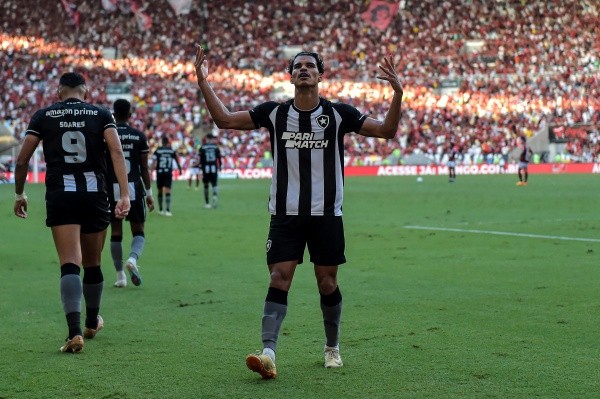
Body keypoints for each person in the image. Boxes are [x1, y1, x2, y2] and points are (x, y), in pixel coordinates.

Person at [194, 46, 403, 378]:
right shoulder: (273, 113)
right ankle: (268, 353)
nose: (303, 70)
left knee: (327, 283)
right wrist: (204, 82)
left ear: (321, 75)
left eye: (310, 66)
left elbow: (387, 131)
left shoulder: (340, 114)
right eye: (298, 66)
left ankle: (332, 347)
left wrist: (398, 94)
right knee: (279, 277)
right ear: (290, 76)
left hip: (326, 216)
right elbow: (223, 120)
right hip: (286, 215)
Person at [13, 72, 130, 353]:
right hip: (94, 195)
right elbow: (116, 152)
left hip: (61, 195)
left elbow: (22, 159)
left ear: (59, 92)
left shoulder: (44, 115)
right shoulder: (101, 114)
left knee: (69, 263)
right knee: (92, 263)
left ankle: (74, 332)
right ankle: (92, 322)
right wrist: (124, 194)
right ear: (85, 91)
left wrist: (20, 193)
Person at [107, 99, 154, 288]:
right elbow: (144, 167)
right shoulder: (138, 136)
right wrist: (149, 193)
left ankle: (120, 276)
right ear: (131, 114)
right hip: (133, 187)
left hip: (112, 188)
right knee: (139, 231)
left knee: (116, 232)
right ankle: (133, 259)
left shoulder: (107, 136)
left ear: (113, 114)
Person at [152, 135, 182, 216]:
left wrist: (151, 172)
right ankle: (168, 210)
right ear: (168, 142)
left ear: (162, 142)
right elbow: (177, 161)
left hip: (160, 172)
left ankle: (161, 210)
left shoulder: (158, 150)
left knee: (160, 190)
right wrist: (180, 170)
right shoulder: (171, 151)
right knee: (168, 190)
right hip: (168, 173)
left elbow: (154, 162)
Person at [199, 133, 222, 209]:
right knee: (214, 184)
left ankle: (207, 203)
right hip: (213, 168)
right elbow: (219, 158)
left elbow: (201, 160)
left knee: (206, 185)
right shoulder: (216, 147)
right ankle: (215, 196)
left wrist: (200, 168)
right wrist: (220, 166)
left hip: (206, 169)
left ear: (206, 138)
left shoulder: (202, 147)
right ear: (212, 139)